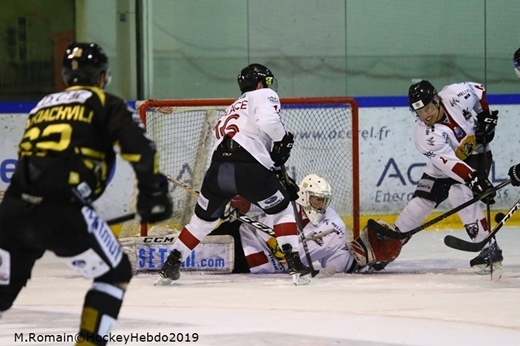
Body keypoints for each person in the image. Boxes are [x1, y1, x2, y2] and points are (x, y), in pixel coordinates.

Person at [0, 42, 172, 345]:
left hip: (12, 209)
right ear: (102, 76)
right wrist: (153, 192)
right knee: (115, 271)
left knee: (1, 295)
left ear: (66, 76)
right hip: (62, 209)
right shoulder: (104, 102)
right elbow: (140, 148)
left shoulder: (42, 105)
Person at [158, 63, 311, 285]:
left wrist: (271, 172)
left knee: (201, 222)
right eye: (267, 83)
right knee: (282, 210)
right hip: (248, 169)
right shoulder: (263, 95)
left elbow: (239, 145)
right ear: (260, 84)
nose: (270, 87)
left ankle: (171, 264)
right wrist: (284, 138)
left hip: (218, 171)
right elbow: (268, 124)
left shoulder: (231, 110)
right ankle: (295, 265)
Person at [369, 80, 502, 273]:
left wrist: (484, 116)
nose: (426, 115)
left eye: (429, 108)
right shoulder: (424, 135)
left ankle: (490, 247)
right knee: (420, 202)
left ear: (437, 100)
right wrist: (473, 179)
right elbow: (450, 164)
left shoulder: (454, 94)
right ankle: (390, 246)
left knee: (459, 194)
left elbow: (478, 90)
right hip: (447, 162)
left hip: (476, 154)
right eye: (420, 112)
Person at [217, 174, 401, 275]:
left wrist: (364, 258)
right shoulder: (285, 200)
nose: (321, 204)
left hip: (254, 264)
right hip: (241, 237)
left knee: (195, 263)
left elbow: (334, 264)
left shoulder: (334, 227)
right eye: (316, 199)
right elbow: (249, 202)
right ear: (304, 196)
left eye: (323, 200)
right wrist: (234, 204)